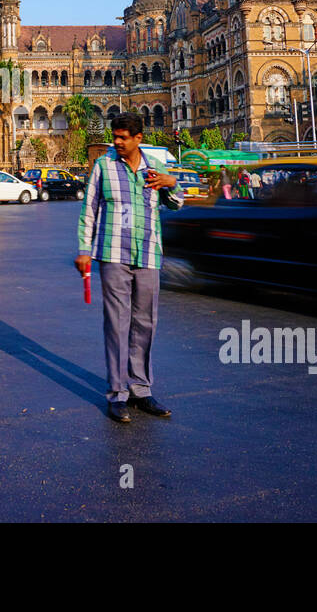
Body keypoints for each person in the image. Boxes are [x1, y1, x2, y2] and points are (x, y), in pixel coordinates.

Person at [76, 112, 183, 423]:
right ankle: (117, 393)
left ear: (138, 139)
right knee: (117, 323)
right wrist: (84, 249)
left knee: (145, 323)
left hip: (148, 254)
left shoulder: (155, 168)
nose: (117, 142)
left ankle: (141, 389)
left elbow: (176, 203)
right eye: (115, 136)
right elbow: (89, 210)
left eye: (123, 137)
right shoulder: (103, 167)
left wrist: (172, 183)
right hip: (113, 255)